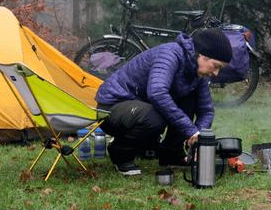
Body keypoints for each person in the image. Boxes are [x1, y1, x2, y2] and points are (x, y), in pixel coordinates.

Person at [95, 28, 233, 176]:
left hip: (141, 108)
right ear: (202, 56)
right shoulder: (170, 54)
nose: (216, 73)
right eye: (216, 66)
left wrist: (199, 139)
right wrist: (190, 130)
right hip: (112, 107)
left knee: (189, 100)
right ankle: (120, 154)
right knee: (155, 117)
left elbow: (206, 110)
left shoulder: (198, 73)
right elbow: (157, 93)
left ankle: (171, 154)